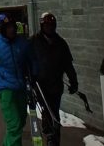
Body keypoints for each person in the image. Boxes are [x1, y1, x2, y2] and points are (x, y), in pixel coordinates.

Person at [0, 13, 36, 146]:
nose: (11, 30)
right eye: (7, 27)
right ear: (1, 29)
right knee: (14, 125)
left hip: (21, 87)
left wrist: (34, 76)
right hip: (5, 89)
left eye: (12, 27)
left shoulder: (22, 43)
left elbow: (31, 61)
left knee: (21, 120)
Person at [30, 12, 78, 146]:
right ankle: (49, 132)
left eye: (51, 25)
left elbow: (68, 64)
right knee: (47, 109)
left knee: (54, 112)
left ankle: (54, 138)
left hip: (56, 85)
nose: (49, 28)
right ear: (42, 26)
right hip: (40, 84)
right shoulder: (34, 41)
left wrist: (74, 81)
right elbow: (26, 59)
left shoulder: (61, 43)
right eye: (46, 25)